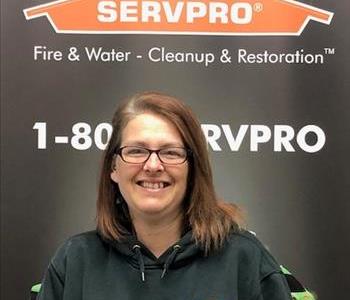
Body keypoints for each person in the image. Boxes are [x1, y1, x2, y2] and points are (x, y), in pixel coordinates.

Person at [37, 92, 292, 300]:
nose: (153, 165)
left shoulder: (243, 258)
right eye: (137, 150)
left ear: (193, 168)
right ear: (113, 167)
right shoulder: (75, 261)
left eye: (170, 153)